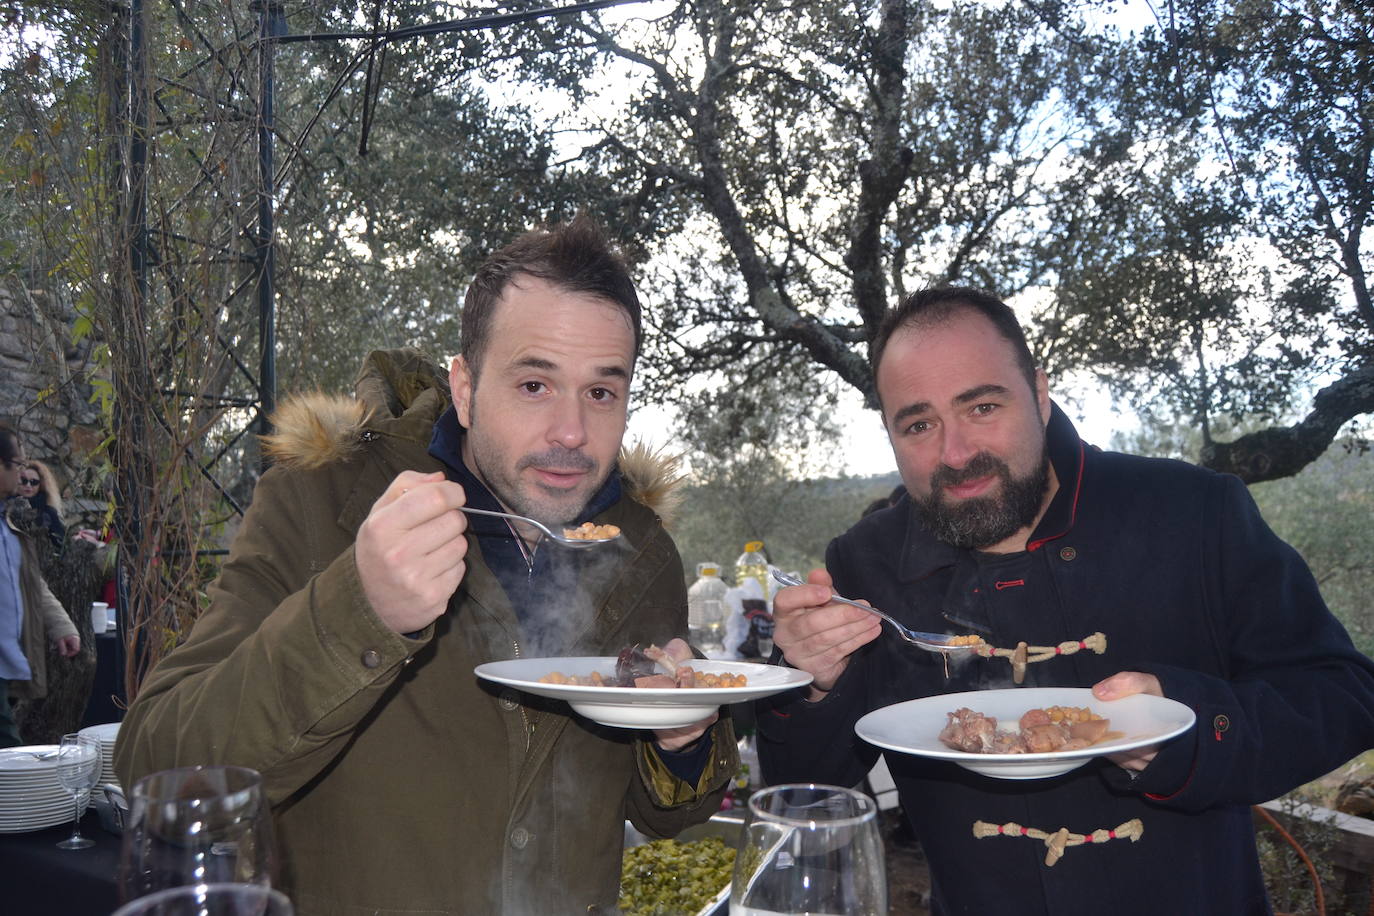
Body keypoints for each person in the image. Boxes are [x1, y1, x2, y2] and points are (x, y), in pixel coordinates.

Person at [114, 218, 738, 915]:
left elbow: (668, 815)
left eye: (601, 392)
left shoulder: (641, 552)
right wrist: (360, 607)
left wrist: (683, 736)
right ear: (465, 389)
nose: (571, 432)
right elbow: (157, 764)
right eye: (535, 384)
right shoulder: (324, 503)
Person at [756, 286, 1374, 915]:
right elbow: (802, 788)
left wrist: (1185, 730)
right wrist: (813, 687)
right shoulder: (865, 562)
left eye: (982, 405)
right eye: (918, 424)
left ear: (1040, 395)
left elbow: (1342, 695)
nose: (956, 453)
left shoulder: (1192, 512)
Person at [0, 426, 80, 748]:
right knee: (12, 761)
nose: (23, 476)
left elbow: (31, 583)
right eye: (17, 465)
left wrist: (61, 626)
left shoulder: (10, 526)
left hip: (6, 666)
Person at [17, 459, 65, 551]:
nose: (28, 485)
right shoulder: (5, 507)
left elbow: (59, 545)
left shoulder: (50, 513)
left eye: (34, 482)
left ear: (41, 485)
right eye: (24, 480)